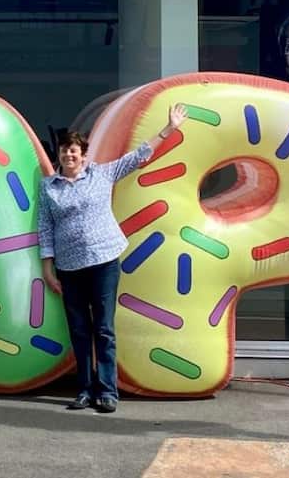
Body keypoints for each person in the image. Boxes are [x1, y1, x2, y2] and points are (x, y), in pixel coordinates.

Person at [37, 103, 187, 414]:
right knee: (79, 330)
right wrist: (47, 267)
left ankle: (107, 391)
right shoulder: (48, 188)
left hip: (104, 261)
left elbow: (138, 156)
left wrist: (169, 128)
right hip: (69, 267)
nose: (68, 155)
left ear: (84, 155)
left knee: (103, 328)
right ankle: (84, 390)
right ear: (59, 155)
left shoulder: (102, 174)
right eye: (64, 151)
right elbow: (45, 227)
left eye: (74, 151)